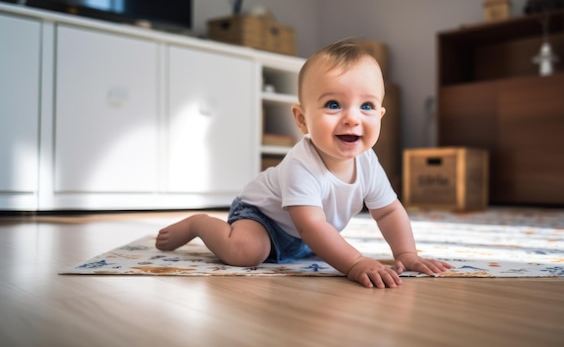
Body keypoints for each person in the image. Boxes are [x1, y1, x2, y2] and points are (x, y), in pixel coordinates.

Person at [156, 40, 452, 288]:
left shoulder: (368, 162)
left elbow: (388, 211)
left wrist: (407, 253)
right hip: (263, 218)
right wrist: (355, 263)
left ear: (380, 115)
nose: (353, 118)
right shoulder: (301, 164)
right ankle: (200, 223)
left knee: (324, 243)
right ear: (302, 119)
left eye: (367, 106)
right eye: (333, 105)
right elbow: (311, 226)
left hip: (307, 235)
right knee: (246, 252)